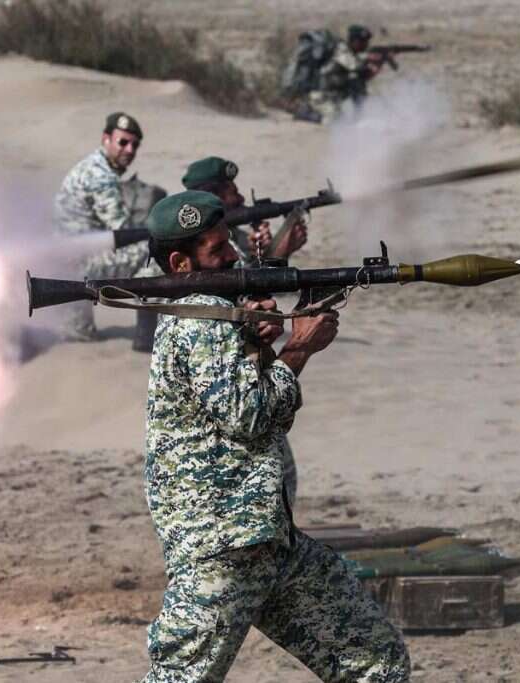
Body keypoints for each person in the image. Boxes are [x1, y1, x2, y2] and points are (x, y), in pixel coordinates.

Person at [138, 191, 410, 682]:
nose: (234, 257)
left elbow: (236, 405)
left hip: (267, 540)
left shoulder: (218, 317)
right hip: (221, 549)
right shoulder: (198, 317)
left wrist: (258, 345)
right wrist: (299, 347)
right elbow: (249, 413)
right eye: (218, 250)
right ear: (180, 263)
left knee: (375, 659)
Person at [180, 155, 309, 504]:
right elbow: (214, 304)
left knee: (281, 487)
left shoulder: (231, 243)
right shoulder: (193, 255)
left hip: (252, 381)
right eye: (230, 190)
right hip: (235, 404)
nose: (238, 197)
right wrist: (299, 347)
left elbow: (246, 294)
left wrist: (274, 254)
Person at [54, 111, 159, 343]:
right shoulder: (100, 176)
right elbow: (121, 230)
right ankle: (148, 338)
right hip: (79, 264)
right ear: (106, 139)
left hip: (66, 262)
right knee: (155, 254)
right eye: (123, 142)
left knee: (78, 336)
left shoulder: (90, 166)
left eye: (135, 145)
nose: (130, 150)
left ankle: (77, 327)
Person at [180, 155, 308, 265]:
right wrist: (278, 254)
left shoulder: (238, 236)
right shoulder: (196, 242)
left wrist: (270, 252)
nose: (241, 198)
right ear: (215, 199)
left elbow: (254, 275)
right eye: (234, 193)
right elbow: (237, 288)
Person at [304, 25, 384, 124]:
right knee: (336, 121)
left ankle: (359, 115)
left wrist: (379, 64)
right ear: (355, 41)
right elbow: (357, 67)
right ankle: (306, 114)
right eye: (363, 42)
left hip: (336, 93)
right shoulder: (341, 50)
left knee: (357, 82)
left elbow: (365, 76)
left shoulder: (353, 53)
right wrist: (372, 59)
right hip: (321, 96)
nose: (366, 45)